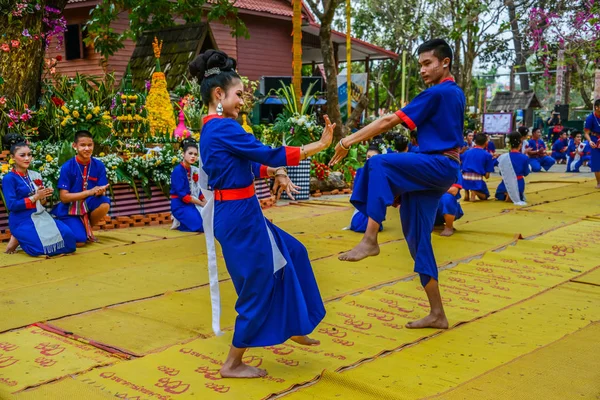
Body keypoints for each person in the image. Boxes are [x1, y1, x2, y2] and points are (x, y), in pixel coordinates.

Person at [189, 50, 333, 378]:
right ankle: (232, 363)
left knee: (293, 252)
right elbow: (268, 153)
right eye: (238, 94)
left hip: (241, 212)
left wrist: (275, 172)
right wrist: (318, 146)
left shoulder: (214, 128)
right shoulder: (223, 128)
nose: (242, 100)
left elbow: (249, 164)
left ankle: (294, 322)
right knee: (257, 284)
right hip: (238, 216)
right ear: (218, 94)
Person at [330, 38, 464, 330]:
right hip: (438, 167)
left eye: (428, 63)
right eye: (420, 65)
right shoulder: (453, 93)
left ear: (445, 63)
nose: (423, 70)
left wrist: (347, 139)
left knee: (378, 162)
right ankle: (437, 313)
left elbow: (389, 120)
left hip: (439, 164)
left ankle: (370, 239)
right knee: (418, 240)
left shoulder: (439, 92)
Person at [3, 143, 76, 256]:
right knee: (39, 248)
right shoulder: (9, 179)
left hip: (40, 215)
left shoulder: (35, 175)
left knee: (68, 237)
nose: (27, 158)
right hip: (21, 219)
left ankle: (19, 237)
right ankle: (17, 236)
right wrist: (35, 197)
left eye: (29, 155)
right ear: (12, 157)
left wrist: (43, 196)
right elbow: (12, 205)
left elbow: (42, 203)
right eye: (22, 155)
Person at [52, 131, 110, 246]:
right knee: (79, 242)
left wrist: (100, 191)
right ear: (75, 146)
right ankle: (59, 223)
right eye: (83, 145)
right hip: (69, 208)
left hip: (87, 204)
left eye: (90, 145)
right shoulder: (68, 167)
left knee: (104, 203)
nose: (87, 148)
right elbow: (63, 197)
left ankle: (86, 229)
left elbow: (100, 193)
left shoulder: (98, 165)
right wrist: (89, 192)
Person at [170, 140, 207, 232]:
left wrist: (205, 201)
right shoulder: (178, 171)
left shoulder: (193, 170)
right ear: (183, 154)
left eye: (195, 154)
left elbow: (198, 190)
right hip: (180, 205)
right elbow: (183, 196)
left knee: (209, 221)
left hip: (191, 203)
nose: (193, 156)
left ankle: (187, 220)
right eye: (190, 153)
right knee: (202, 226)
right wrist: (201, 203)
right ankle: (181, 223)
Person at [348, 146, 384, 233]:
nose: (370, 159)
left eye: (373, 157)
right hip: (362, 206)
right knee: (360, 224)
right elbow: (357, 192)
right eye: (368, 157)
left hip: (376, 207)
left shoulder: (383, 173)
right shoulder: (360, 171)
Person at [495, 132, 530, 204]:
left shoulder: (503, 157)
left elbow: (501, 173)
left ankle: (507, 192)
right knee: (519, 196)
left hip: (505, 183)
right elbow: (526, 173)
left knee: (499, 195)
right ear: (520, 144)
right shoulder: (524, 158)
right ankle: (512, 194)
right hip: (518, 184)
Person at [461, 133, 495, 201]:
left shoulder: (466, 152)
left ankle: (466, 192)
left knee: (466, 174)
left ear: (475, 142)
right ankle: (475, 191)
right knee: (485, 196)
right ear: (486, 143)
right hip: (477, 180)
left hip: (464, 180)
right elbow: (487, 176)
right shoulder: (487, 155)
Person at [434, 171, 463, 237]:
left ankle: (449, 226)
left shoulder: (454, 171)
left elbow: (454, 190)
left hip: (444, 205)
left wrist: (433, 190)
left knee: (447, 198)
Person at [584, 99, 600, 188]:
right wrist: (590, 141)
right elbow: (586, 133)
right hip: (595, 140)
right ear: (596, 107)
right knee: (597, 162)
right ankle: (599, 182)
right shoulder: (590, 118)